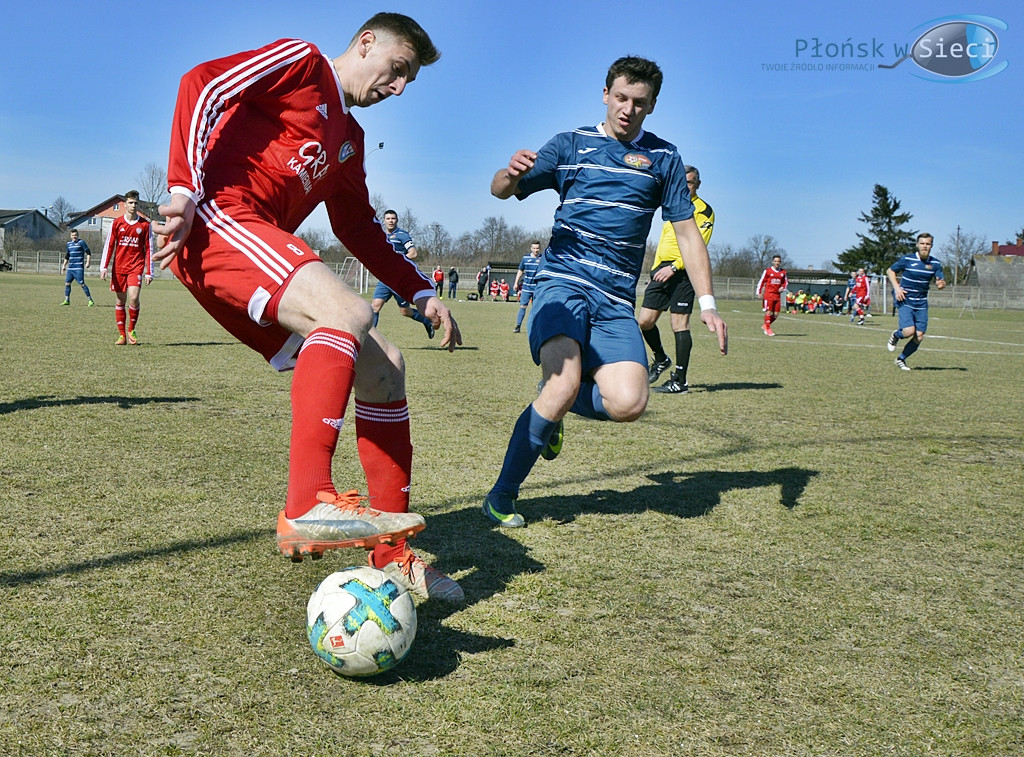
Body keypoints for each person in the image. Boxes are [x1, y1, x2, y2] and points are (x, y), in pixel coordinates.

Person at [151, 13, 464, 603]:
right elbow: (204, 85)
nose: (397, 89)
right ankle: (307, 501)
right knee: (346, 312)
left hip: (254, 242)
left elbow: (360, 230)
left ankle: (392, 556)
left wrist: (419, 290)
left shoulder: (350, 142)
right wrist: (183, 190)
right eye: (397, 70)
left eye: (408, 83)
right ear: (366, 42)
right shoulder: (304, 63)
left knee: (386, 365)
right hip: (218, 219)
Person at [481, 55, 727, 528]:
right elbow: (500, 190)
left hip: (615, 300)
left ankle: (552, 408)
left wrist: (709, 303)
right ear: (605, 94)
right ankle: (502, 496)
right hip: (563, 283)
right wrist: (509, 173)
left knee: (629, 403)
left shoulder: (664, 158)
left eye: (639, 102)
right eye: (620, 97)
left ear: (652, 105)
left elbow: (689, 233)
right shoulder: (570, 144)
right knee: (563, 382)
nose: (627, 109)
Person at [637, 165, 714, 393]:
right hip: (660, 269)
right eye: (682, 182)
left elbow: (698, 246)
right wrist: (658, 266)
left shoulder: (704, 211)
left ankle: (680, 381)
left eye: (689, 182)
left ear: (697, 184)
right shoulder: (671, 204)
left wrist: (674, 266)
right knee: (645, 321)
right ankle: (661, 358)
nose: (685, 186)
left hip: (683, 272)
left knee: (679, 324)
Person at [370, 210, 435, 338]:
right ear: (384, 220)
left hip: (398, 279)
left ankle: (426, 321)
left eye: (393, 218)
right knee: (375, 307)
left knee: (405, 311)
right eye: (388, 218)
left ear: (397, 220)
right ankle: (370, 338)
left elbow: (413, 253)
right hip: (385, 279)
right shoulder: (381, 236)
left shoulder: (402, 235)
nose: (390, 221)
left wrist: (397, 263)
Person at [886, 232, 945, 370]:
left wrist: (941, 285)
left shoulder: (935, 263)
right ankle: (896, 335)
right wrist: (897, 288)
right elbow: (890, 271)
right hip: (905, 299)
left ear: (931, 246)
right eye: (922, 243)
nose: (925, 246)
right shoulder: (907, 259)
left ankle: (901, 359)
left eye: (928, 244)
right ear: (917, 245)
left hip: (922, 302)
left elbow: (940, 282)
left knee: (919, 336)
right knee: (908, 332)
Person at [100, 190, 153, 344]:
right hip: (119, 267)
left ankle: (131, 329)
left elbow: (149, 248)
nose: (133, 205)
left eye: (136, 203)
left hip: (136, 266)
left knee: (134, 297)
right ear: (125, 204)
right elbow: (109, 245)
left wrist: (149, 272)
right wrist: (103, 267)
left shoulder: (145, 225)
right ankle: (122, 335)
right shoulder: (117, 223)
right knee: (120, 300)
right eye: (130, 202)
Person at [513, 240, 542, 333]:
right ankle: (518, 326)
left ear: (539, 248)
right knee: (523, 306)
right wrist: (516, 282)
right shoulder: (525, 258)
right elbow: (520, 270)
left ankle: (534, 327)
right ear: (531, 248)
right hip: (526, 287)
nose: (536, 250)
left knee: (536, 308)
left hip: (537, 288)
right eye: (534, 248)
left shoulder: (543, 259)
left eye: (537, 248)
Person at [61, 229, 95, 307]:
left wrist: (88, 262)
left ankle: (90, 300)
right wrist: (64, 265)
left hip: (78, 268)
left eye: (75, 235)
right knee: (67, 283)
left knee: (82, 284)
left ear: (78, 235)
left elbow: (88, 252)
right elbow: (67, 255)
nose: (74, 237)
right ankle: (67, 300)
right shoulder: (68, 244)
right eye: (73, 235)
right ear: (70, 236)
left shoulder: (81, 242)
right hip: (70, 268)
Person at [755, 254, 787, 337]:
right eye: (775, 261)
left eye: (778, 261)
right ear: (773, 262)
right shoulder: (768, 271)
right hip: (768, 295)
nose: (777, 263)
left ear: (780, 262)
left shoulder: (783, 272)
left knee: (776, 314)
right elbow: (761, 281)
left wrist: (782, 288)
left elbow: (785, 282)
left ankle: (765, 325)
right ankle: (768, 329)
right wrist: (758, 292)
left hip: (777, 295)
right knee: (768, 312)